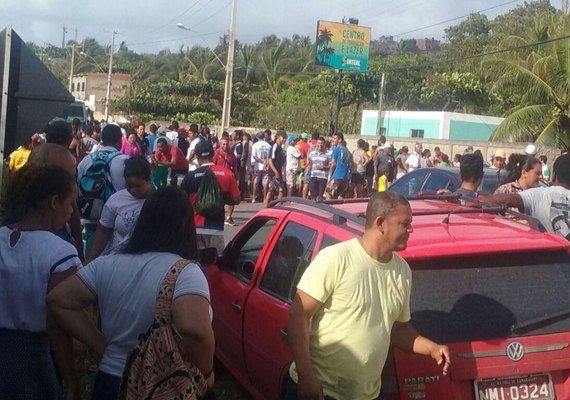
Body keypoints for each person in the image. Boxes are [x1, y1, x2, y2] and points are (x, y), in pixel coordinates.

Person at [47, 186, 215, 400]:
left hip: (110, 378)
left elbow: (59, 300)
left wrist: (100, 343)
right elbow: (194, 329)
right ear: (186, 226)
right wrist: (207, 372)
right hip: (163, 383)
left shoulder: (107, 264)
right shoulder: (186, 273)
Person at [286, 192, 451, 400]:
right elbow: (298, 316)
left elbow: (398, 330)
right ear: (380, 223)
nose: (411, 229)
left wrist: (431, 348)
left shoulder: (402, 271)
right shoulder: (336, 259)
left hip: (369, 395)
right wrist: (306, 375)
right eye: (405, 223)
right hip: (321, 392)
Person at [0, 164, 81, 399]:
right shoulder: (60, 253)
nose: (71, 212)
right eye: (70, 204)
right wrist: (72, 382)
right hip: (33, 359)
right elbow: (58, 324)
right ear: (54, 202)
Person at [482, 153, 570, 240]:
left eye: (541, 173)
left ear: (554, 175)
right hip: (510, 239)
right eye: (537, 173)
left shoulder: (541, 192)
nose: (540, 177)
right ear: (524, 172)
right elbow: (493, 217)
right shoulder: (505, 190)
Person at [77, 124, 129, 258]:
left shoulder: (87, 160)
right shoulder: (125, 161)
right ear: (119, 140)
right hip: (116, 224)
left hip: (91, 217)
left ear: (102, 139)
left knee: (90, 265)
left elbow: (77, 185)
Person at [87, 156, 153, 261]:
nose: (133, 190)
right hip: (117, 259)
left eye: (138, 186)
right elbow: (103, 230)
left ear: (148, 180)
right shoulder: (116, 200)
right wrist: (91, 259)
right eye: (129, 186)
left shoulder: (158, 200)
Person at [181, 140, 240, 252]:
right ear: (213, 154)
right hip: (216, 229)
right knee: (214, 264)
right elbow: (236, 199)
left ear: (197, 157)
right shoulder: (227, 174)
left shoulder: (190, 177)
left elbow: (182, 204)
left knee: (194, 265)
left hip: (194, 229)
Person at [213, 136, 239, 225]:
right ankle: (219, 216)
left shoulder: (232, 155)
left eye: (227, 144)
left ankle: (229, 217)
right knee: (219, 199)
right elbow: (212, 166)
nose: (225, 146)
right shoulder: (216, 154)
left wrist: (237, 179)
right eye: (223, 144)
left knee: (231, 198)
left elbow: (235, 168)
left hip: (229, 180)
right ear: (220, 144)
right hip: (218, 180)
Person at [265, 130, 288, 206]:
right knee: (272, 189)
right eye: (283, 138)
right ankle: (265, 206)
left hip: (278, 172)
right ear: (278, 137)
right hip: (273, 173)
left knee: (280, 189)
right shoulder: (274, 147)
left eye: (285, 138)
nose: (284, 140)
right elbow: (270, 160)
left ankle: (279, 205)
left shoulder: (281, 149)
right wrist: (275, 172)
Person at [326, 133, 351, 200]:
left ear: (339, 140)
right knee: (339, 195)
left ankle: (328, 210)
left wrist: (329, 177)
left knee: (328, 192)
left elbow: (333, 164)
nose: (332, 140)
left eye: (334, 138)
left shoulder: (336, 149)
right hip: (345, 177)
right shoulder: (347, 150)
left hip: (337, 176)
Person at [307, 137, 331, 201]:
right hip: (313, 176)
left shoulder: (328, 154)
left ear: (324, 144)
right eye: (318, 143)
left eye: (322, 143)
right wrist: (307, 175)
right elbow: (309, 165)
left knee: (320, 196)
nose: (320, 145)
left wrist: (324, 167)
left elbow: (331, 166)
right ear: (316, 144)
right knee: (312, 196)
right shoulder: (312, 153)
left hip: (323, 177)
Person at [251, 131, 272, 203]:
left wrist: (261, 161)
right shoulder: (269, 145)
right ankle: (265, 198)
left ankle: (253, 197)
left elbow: (254, 156)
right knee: (265, 183)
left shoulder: (255, 145)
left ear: (257, 137)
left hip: (258, 166)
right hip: (266, 166)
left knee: (255, 182)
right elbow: (270, 156)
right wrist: (265, 162)